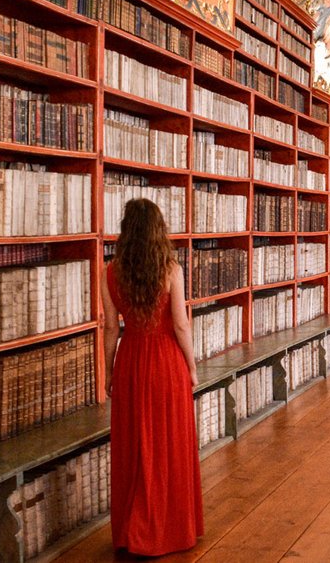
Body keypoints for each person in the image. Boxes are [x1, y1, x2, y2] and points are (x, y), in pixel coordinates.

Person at [101, 198, 203, 556]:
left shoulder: (110, 272)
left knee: (134, 444)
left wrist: (108, 372)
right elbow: (179, 325)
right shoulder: (171, 269)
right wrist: (191, 367)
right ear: (159, 231)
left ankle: (133, 530)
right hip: (166, 362)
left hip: (130, 361)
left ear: (126, 232)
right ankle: (171, 527)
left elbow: (111, 328)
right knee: (168, 442)